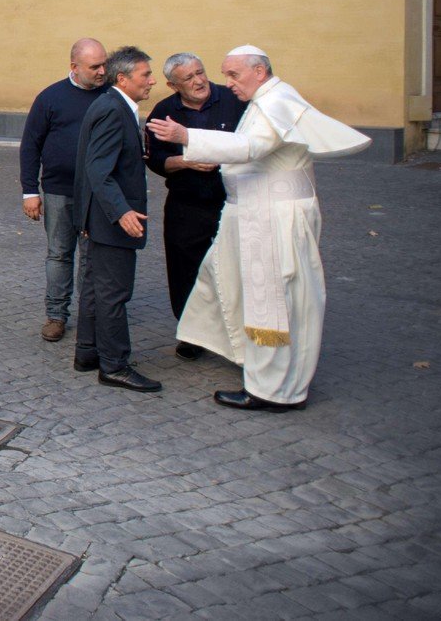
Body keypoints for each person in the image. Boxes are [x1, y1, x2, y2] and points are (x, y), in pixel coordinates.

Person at [149, 46, 369, 411]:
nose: (226, 83)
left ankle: (272, 390)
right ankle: (260, 368)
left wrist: (188, 137)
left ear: (260, 71)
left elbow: (251, 147)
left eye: (233, 75)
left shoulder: (275, 100)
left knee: (272, 302)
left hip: (271, 219)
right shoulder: (265, 98)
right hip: (258, 214)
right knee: (224, 281)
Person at [144, 53, 248, 358]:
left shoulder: (233, 100)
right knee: (184, 270)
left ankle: (236, 334)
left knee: (233, 268)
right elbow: (155, 159)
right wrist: (185, 161)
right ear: (173, 85)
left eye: (200, 72)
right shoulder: (163, 112)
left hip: (231, 200)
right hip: (186, 203)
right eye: (188, 78)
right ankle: (191, 333)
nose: (199, 81)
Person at [71, 46, 161, 392]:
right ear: (122, 78)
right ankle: (115, 365)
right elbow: (98, 169)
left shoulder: (112, 105)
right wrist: (121, 211)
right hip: (110, 220)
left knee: (96, 289)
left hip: (101, 219)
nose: (152, 81)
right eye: (145, 75)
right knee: (114, 293)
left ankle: (89, 352)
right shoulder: (112, 109)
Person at [19, 38, 108, 342]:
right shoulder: (51, 98)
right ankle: (56, 315)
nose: (102, 71)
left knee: (91, 257)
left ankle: (90, 316)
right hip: (58, 191)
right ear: (74, 67)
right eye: (94, 66)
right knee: (59, 254)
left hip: (98, 193)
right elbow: (31, 145)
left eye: (104, 64)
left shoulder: (110, 96)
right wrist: (29, 191)